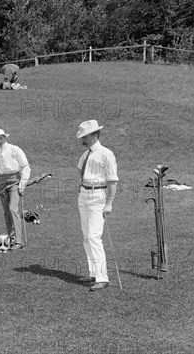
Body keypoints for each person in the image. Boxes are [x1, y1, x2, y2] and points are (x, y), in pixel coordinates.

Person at [76, 120, 118, 291]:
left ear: (95, 135)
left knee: (94, 236)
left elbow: (112, 180)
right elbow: (80, 170)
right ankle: (93, 272)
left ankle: (102, 277)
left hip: (97, 195)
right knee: (86, 236)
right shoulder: (86, 154)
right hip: (84, 194)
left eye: (85, 136)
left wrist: (109, 202)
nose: (82, 140)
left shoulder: (106, 154)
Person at [0, 128, 31, 250]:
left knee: (13, 209)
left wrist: (22, 185)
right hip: (2, 182)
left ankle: (19, 241)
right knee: (6, 212)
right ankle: (11, 238)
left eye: (0, 138)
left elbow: (25, 166)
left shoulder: (15, 149)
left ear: (5, 137)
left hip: (14, 180)